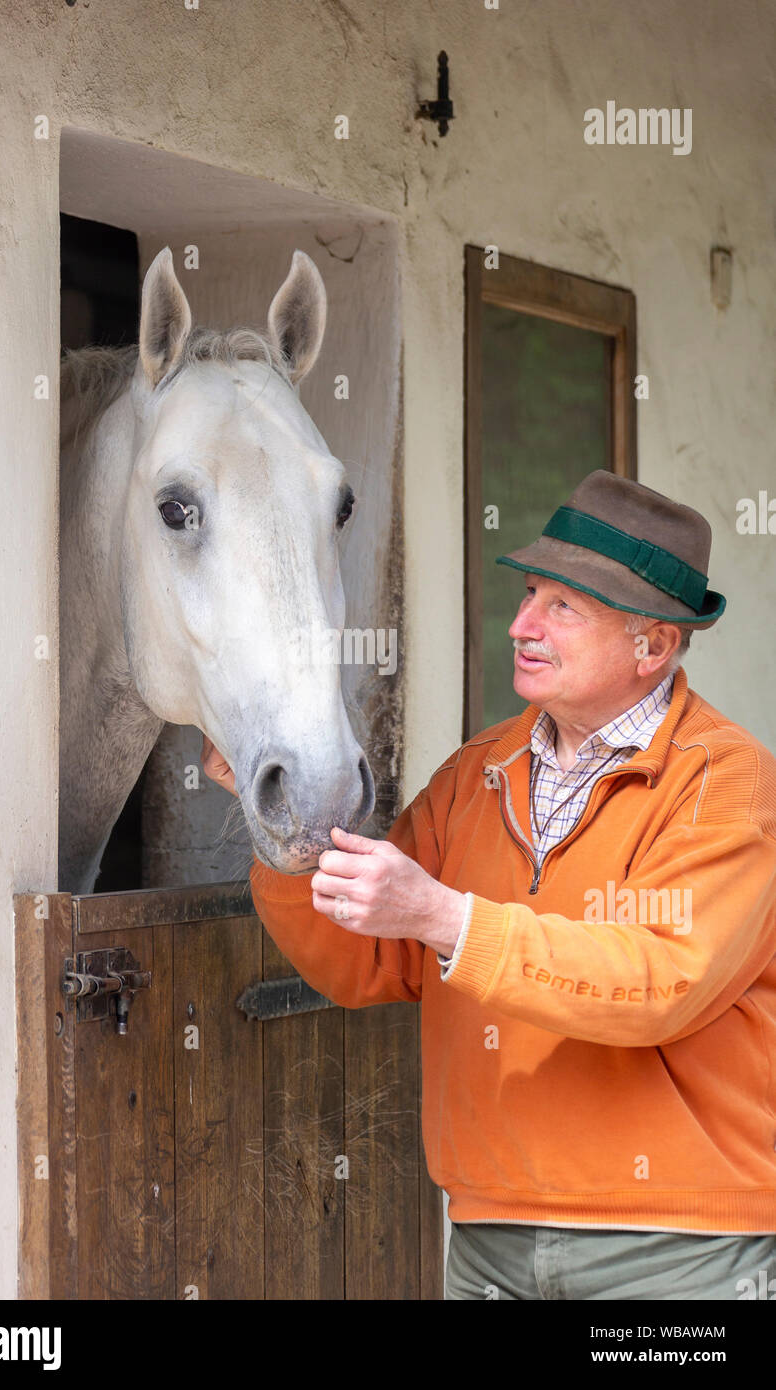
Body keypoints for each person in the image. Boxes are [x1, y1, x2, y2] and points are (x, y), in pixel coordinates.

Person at [202, 469, 776, 1300]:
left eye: (563, 607)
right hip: (487, 1240)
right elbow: (373, 960)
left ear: (653, 646)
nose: (522, 625)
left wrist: (447, 916)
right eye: (531, 594)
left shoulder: (727, 783)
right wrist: (281, 829)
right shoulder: (480, 772)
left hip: (679, 1251)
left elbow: (660, 980)